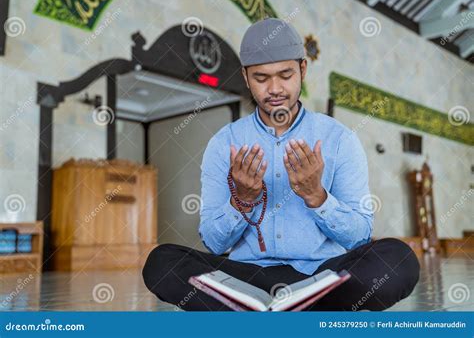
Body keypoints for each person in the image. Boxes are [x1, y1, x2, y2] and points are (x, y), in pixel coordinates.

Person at [143, 18, 420, 311]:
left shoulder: (339, 139)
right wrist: (242, 201)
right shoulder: (224, 143)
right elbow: (213, 243)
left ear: (302, 69)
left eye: (285, 74)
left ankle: (254, 311)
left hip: (320, 273)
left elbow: (359, 237)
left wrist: (317, 197)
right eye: (261, 78)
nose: (274, 88)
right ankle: (292, 310)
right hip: (245, 276)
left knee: (398, 260)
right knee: (162, 263)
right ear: (246, 77)